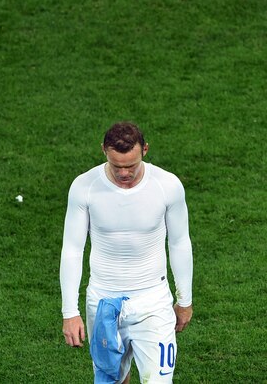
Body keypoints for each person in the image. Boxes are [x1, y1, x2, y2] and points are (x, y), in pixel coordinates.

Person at [60, 122, 193, 383]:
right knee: (113, 380)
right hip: (102, 302)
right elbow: (72, 250)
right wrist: (69, 312)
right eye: (116, 165)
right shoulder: (84, 187)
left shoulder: (167, 186)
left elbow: (179, 243)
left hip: (153, 301)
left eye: (130, 166)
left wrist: (185, 300)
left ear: (145, 149)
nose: (123, 173)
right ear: (103, 151)